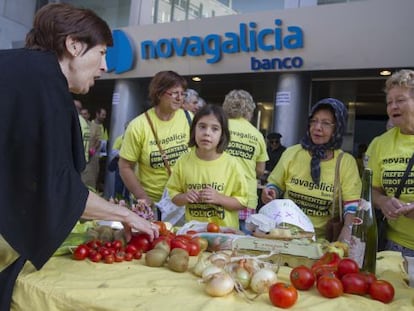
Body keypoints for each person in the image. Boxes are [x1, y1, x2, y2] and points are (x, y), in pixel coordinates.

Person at [0, 3, 159, 310]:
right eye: (101, 53)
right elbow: (56, 187)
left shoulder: (20, 72)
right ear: (73, 45)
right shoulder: (45, 85)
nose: (104, 66)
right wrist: (127, 215)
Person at [261, 98, 361, 241]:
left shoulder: (346, 162)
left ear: (337, 128)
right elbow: (275, 184)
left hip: (321, 244)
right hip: (284, 237)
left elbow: (352, 206)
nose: (317, 127)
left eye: (326, 123)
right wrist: (271, 192)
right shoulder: (292, 153)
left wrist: (346, 233)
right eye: (314, 121)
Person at [119, 70, 192, 218]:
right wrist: (143, 198)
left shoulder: (188, 117)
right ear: (159, 93)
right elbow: (125, 166)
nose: (179, 98)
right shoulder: (138, 125)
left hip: (182, 201)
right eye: (174, 93)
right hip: (154, 204)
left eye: (182, 93)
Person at [166, 104, 248, 229]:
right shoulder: (183, 161)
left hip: (224, 235)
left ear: (222, 134)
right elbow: (174, 197)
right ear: (194, 130)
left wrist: (219, 198)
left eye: (215, 129)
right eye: (202, 127)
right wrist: (185, 197)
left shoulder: (232, 164)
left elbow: (243, 202)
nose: (207, 133)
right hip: (193, 233)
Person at [366, 69, 414, 257]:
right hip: (395, 247)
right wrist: (383, 201)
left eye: (400, 100)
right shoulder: (380, 144)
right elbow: (370, 189)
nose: (393, 106)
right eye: (389, 102)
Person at [222, 89, 268, 233]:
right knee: (242, 245)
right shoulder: (257, 134)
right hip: (246, 197)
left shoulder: (220, 128)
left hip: (221, 194)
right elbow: (260, 170)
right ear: (250, 109)